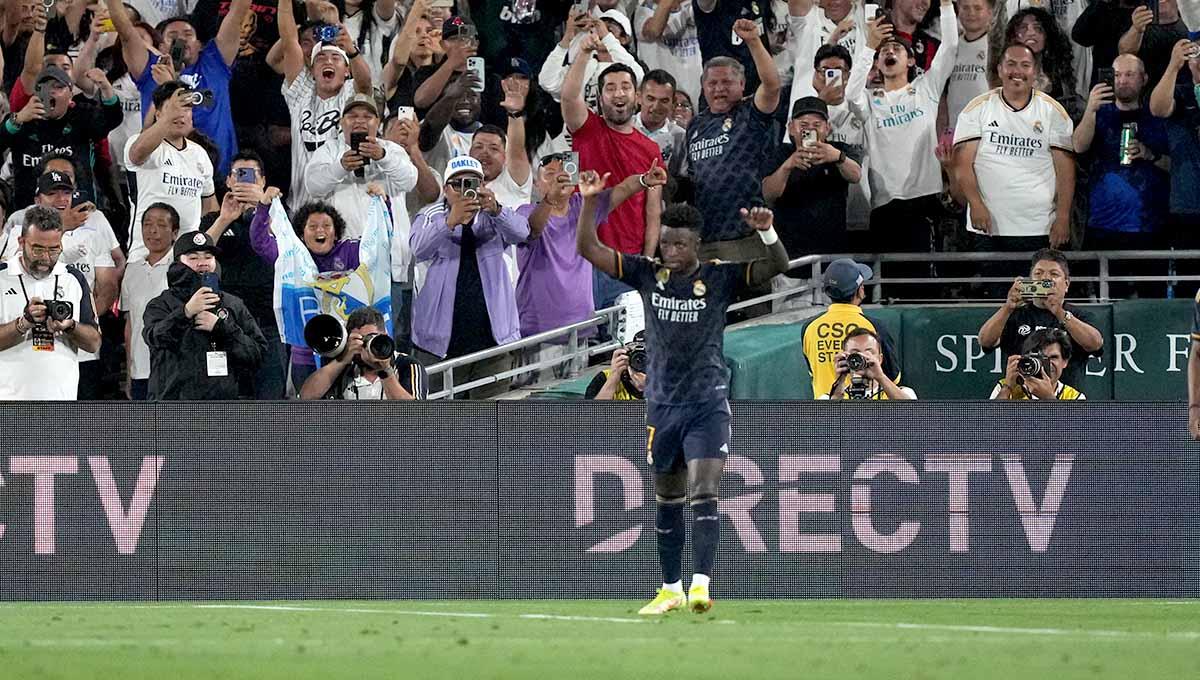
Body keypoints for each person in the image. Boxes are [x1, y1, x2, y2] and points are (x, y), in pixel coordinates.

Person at [574, 168, 789, 616]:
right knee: (667, 498)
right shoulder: (647, 274)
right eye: (666, 242)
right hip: (662, 405)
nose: (670, 251)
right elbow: (587, 248)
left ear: (696, 244)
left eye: (679, 244)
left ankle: (701, 584)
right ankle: (670, 588)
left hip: (707, 402)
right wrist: (592, 202)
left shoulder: (718, 278)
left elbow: (776, 266)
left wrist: (767, 233)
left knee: (705, 492)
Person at [514, 156, 668, 384]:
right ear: (537, 184)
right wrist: (550, 200)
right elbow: (532, 230)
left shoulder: (583, 207)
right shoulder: (524, 212)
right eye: (549, 175)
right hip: (540, 334)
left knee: (577, 407)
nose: (559, 178)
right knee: (539, 412)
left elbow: (624, 188)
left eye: (563, 172)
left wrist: (645, 180)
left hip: (580, 330)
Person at [409, 156, 531, 399]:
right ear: (445, 189)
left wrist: (497, 210)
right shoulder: (430, 215)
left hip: (493, 343)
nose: (466, 191)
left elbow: (522, 233)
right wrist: (449, 222)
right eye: (458, 184)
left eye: (472, 183)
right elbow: (418, 249)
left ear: (483, 185)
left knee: (489, 425)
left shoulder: (495, 213)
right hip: (438, 345)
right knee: (440, 428)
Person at [847, 1, 957, 258]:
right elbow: (850, 96)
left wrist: (947, 5)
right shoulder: (870, 101)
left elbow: (950, 47)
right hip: (884, 204)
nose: (890, 51)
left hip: (924, 199)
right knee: (889, 287)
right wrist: (868, 47)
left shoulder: (925, 89)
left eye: (897, 48)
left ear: (910, 61)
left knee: (922, 284)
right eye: (884, 50)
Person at [561, 38, 663, 309]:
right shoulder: (586, 129)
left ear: (637, 96)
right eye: (610, 88)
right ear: (599, 96)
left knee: (625, 345)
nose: (619, 94)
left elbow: (653, 211)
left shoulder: (650, 148)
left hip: (626, 262)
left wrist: (648, 259)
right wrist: (584, 52)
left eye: (626, 87)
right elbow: (569, 97)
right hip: (581, 260)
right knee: (584, 347)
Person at [102, 0, 253, 176]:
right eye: (172, 35)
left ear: (199, 44)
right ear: (161, 47)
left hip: (220, 171)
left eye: (188, 34)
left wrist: (169, 84)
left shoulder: (215, 61)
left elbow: (237, 15)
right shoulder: (150, 69)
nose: (180, 39)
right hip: (166, 174)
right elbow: (126, 32)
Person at [952, 42, 1076, 251]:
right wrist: (976, 205)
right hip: (988, 227)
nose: (1017, 71)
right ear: (1000, 69)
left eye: (1025, 65)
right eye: (1011, 64)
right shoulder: (976, 109)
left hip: (1039, 228)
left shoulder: (1053, 112)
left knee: (1034, 286)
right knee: (997, 285)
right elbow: (963, 165)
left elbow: (1066, 170)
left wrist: (1063, 217)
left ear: (1035, 72)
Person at [1075, 53, 1170, 297]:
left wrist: (1150, 155)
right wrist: (1090, 109)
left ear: (1144, 78)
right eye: (1117, 75)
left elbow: (1174, 166)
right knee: (1108, 300)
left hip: (1149, 227)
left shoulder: (1157, 116)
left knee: (1151, 302)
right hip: (1104, 227)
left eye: (1129, 75)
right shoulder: (1099, 113)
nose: (1122, 81)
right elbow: (1077, 146)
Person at [684, 22, 782, 255]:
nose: (719, 88)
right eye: (712, 83)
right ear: (703, 87)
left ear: (742, 84)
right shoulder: (695, 125)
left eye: (726, 82)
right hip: (706, 239)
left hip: (747, 235)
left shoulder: (750, 113)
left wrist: (753, 41)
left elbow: (772, 85)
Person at [142, 230, 268, 400]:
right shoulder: (161, 304)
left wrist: (222, 328)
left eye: (208, 257)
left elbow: (257, 354)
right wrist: (185, 312)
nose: (202, 263)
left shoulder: (233, 304)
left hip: (222, 408)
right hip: (173, 406)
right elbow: (154, 338)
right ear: (178, 262)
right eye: (193, 258)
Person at [205, 151, 287, 399]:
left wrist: (264, 208)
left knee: (269, 402)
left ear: (262, 182)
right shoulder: (214, 219)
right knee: (225, 403)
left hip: (268, 324)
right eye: (238, 175)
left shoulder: (280, 215)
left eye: (251, 176)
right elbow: (198, 254)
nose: (244, 181)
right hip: (225, 322)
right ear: (228, 181)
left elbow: (290, 251)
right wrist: (224, 219)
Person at [278, 0, 373, 209]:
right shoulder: (300, 94)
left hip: (345, 206)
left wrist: (352, 51)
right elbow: (288, 42)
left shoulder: (351, 94)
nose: (328, 61)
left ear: (347, 71)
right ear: (311, 70)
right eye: (320, 58)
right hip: (302, 205)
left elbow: (366, 85)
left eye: (335, 58)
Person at [0, 206, 102, 400]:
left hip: (60, 404)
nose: (46, 258)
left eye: (54, 249)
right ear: (21, 242)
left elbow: (94, 343)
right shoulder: (1, 276)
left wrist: (70, 326)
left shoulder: (73, 278)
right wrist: (23, 324)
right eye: (38, 249)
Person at [978, 248, 1104, 388]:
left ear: (1066, 284)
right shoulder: (1015, 314)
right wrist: (1008, 307)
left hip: (1065, 402)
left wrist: (1058, 312)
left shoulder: (1079, 316)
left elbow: (1095, 344)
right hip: (1022, 398)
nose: (1045, 278)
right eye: (1038, 274)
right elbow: (985, 341)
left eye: (1054, 274)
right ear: (1031, 280)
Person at [0, 64, 122, 206]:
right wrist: (18, 119)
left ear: (71, 95)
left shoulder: (82, 117)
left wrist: (106, 88)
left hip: (79, 211)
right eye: (44, 87)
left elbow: (113, 119)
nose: (51, 91)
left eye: (58, 87)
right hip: (29, 215)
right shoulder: (21, 122)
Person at [125, 81, 218, 261]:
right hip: (145, 257)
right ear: (158, 114)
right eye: (173, 108)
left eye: (186, 109)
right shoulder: (139, 143)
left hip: (187, 259)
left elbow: (210, 206)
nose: (180, 114)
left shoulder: (200, 154)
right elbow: (137, 154)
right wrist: (169, 118)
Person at [761, 96, 862, 261]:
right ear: (791, 128)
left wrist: (838, 157)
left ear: (828, 128)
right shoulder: (779, 154)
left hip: (831, 256)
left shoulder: (838, 150)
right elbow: (768, 194)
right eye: (804, 125)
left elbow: (856, 175)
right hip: (790, 256)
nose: (810, 130)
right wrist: (788, 166)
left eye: (817, 125)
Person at [304, 93, 418, 235]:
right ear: (341, 122)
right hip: (346, 245)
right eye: (352, 116)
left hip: (389, 245)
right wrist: (341, 167)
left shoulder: (392, 149)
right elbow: (313, 187)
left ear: (377, 122)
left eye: (367, 117)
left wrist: (383, 157)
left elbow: (410, 181)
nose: (359, 121)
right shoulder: (328, 150)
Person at [801, 258, 901, 399]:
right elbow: (893, 380)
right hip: (874, 415)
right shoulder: (875, 327)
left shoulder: (809, 328)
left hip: (829, 416)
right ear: (860, 290)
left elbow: (813, 373)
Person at [299, 306, 426, 400]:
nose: (366, 345)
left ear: (386, 336)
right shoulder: (342, 366)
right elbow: (306, 397)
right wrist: (342, 360)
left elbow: (414, 416)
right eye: (360, 340)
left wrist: (385, 371)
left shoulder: (407, 365)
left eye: (372, 338)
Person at [121, 202, 179, 400]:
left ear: (174, 232)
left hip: (174, 371)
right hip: (140, 371)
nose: (153, 231)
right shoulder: (132, 270)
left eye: (162, 225)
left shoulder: (182, 269)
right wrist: (129, 373)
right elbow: (131, 324)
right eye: (147, 224)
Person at [634, 0, 703, 104]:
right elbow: (654, 31)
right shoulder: (645, 9)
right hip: (660, 96)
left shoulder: (698, 5)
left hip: (699, 90)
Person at [990, 328, 1085, 400]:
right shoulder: (1005, 386)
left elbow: (1074, 426)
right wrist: (1007, 387)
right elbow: (988, 423)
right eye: (1040, 358)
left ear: (1065, 361)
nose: (1047, 364)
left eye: (1053, 357)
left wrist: (1049, 399)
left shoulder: (1074, 397)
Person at [822, 327, 916, 400]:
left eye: (869, 353)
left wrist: (880, 377)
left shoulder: (905, 393)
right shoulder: (827, 398)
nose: (863, 358)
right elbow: (828, 420)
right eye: (855, 353)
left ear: (880, 359)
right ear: (846, 358)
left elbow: (911, 413)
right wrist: (840, 381)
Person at [946, 0, 996, 134]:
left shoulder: (998, 48)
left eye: (978, 8)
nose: (971, 13)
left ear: (990, 13)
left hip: (987, 133)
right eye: (965, 8)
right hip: (955, 133)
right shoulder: (949, 48)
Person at [633, 69, 687, 175]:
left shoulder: (680, 137)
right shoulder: (623, 129)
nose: (656, 107)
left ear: (673, 103)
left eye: (664, 101)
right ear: (638, 97)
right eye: (650, 99)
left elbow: (683, 179)